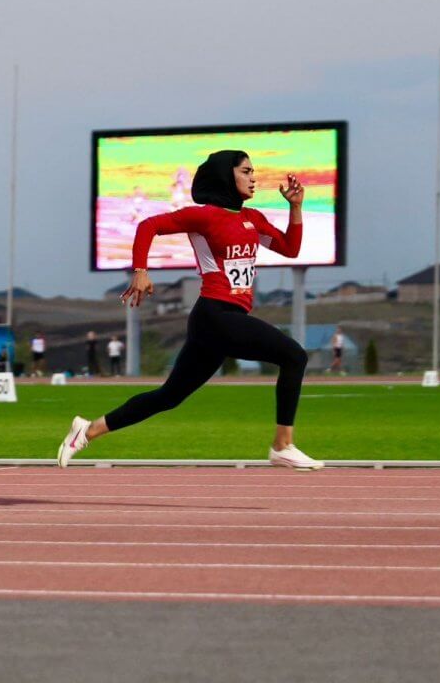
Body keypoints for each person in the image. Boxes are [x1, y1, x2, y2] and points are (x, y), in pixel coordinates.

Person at [57, 150, 320, 471]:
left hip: (224, 321)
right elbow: (148, 226)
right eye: (247, 171)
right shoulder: (204, 216)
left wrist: (295, 207)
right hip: (215, 315)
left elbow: (290, 249)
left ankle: (87, 429)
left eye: (254, 172)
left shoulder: (254, 218)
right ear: (227, 176)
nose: (254, 178)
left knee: (169, 396)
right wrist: (140, 269)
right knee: (294, 356)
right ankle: (282, 445)